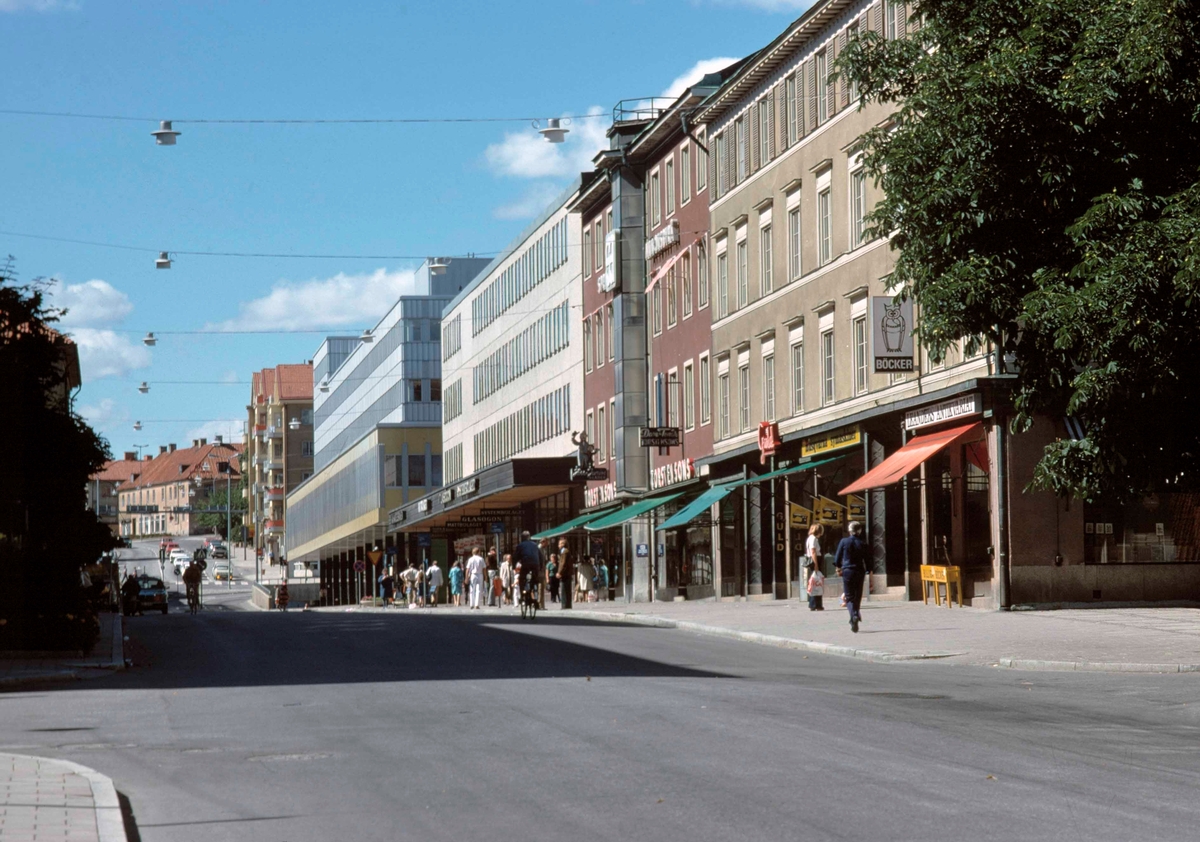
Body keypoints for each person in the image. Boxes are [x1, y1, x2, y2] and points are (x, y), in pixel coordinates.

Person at [835, 521, 869, 632]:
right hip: (859, 571)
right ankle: (855, 615)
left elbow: (837, 558)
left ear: (849, 531)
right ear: (859, 531)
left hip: (848, 570)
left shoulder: (844, 541)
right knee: (857, 595)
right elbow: (868, 560)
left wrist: (838, 567)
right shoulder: (863, 543)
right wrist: (869, 571)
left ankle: (854, 615)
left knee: (849, 597)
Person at [513, 531, 543, 609]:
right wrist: (541, 567)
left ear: (522, 538)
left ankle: (523, 595)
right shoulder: (535, 545)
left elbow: (515, 557)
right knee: (535, 580)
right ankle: (535, 595)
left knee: (522, 579)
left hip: (526, 564)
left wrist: (514, 567)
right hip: (535, 565)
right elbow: (540, 556)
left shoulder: (520, 545)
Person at [804, 524, 825, 610]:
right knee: (816, 582)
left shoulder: (810, 538)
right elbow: (813, 552)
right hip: (815, 560)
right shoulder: (813, 539)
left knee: (815, 582)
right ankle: (814, 604)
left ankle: (816, 604)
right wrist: (816, 565)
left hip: (813, 560)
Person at [556, 538, 574, 609]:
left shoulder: (564, 552)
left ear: (563, 544)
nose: (558, 545)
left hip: (565, 574)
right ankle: (568, 605)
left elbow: (563, 563)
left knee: (564, 590)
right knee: (567, 590)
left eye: (560, 544)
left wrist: (559, 572)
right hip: (567, 573)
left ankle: (564, 605)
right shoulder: (566, 551)